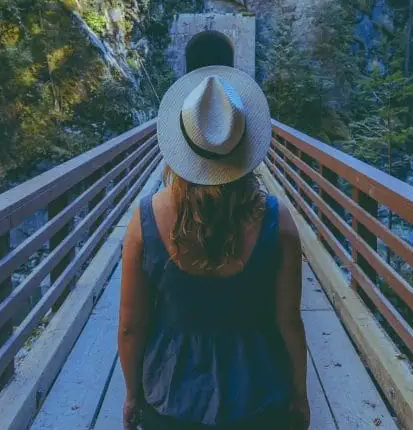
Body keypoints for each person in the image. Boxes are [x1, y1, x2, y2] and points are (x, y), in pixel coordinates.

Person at [117, 66, 310, 430]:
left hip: (171, 399)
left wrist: (132, 395)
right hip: (259, 399)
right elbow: (288, 321)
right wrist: (299, 394)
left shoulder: (143, 222)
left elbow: (131, 326)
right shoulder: (276, 220)